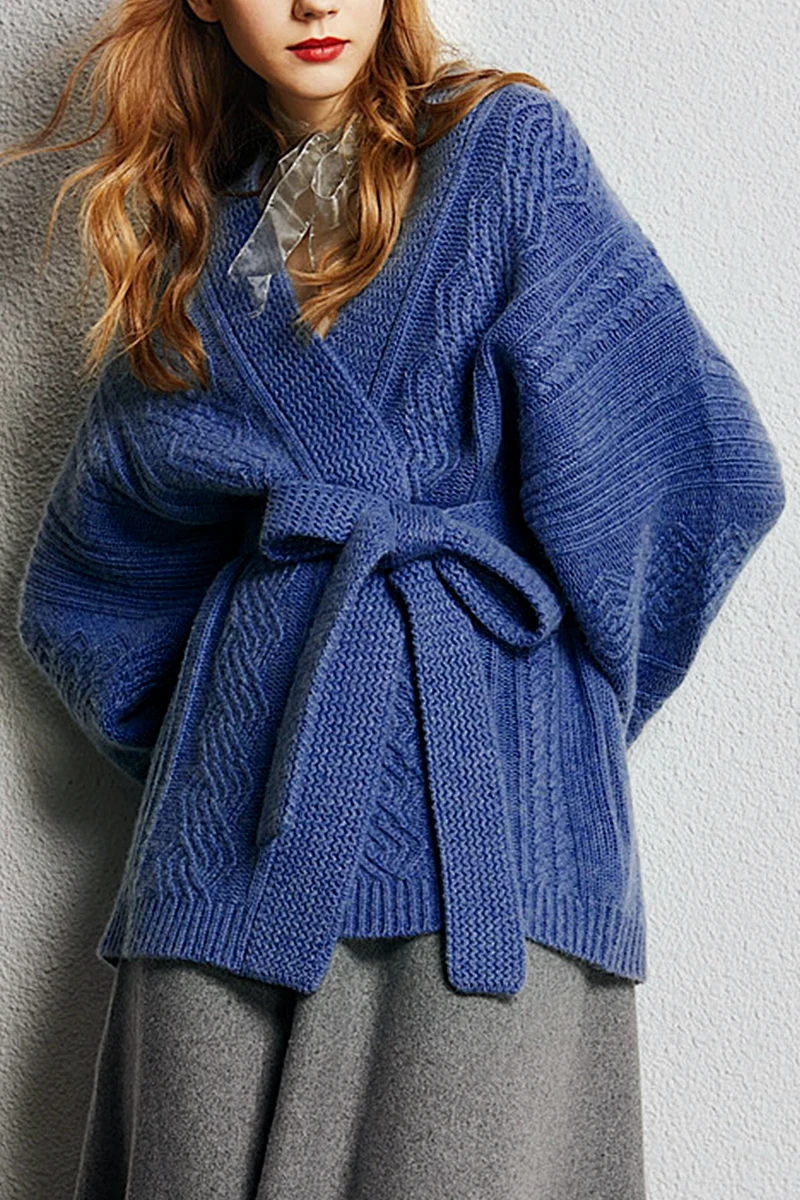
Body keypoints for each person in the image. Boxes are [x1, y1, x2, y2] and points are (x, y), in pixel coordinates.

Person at [3, 1, 786, 1197]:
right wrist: (249, 729)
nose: (314, 3)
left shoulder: (503, 151)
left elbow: (698, 472)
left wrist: (541, 733)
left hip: (483, 840)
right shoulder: (194, 249)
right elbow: (88, 586)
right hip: (236, 852)